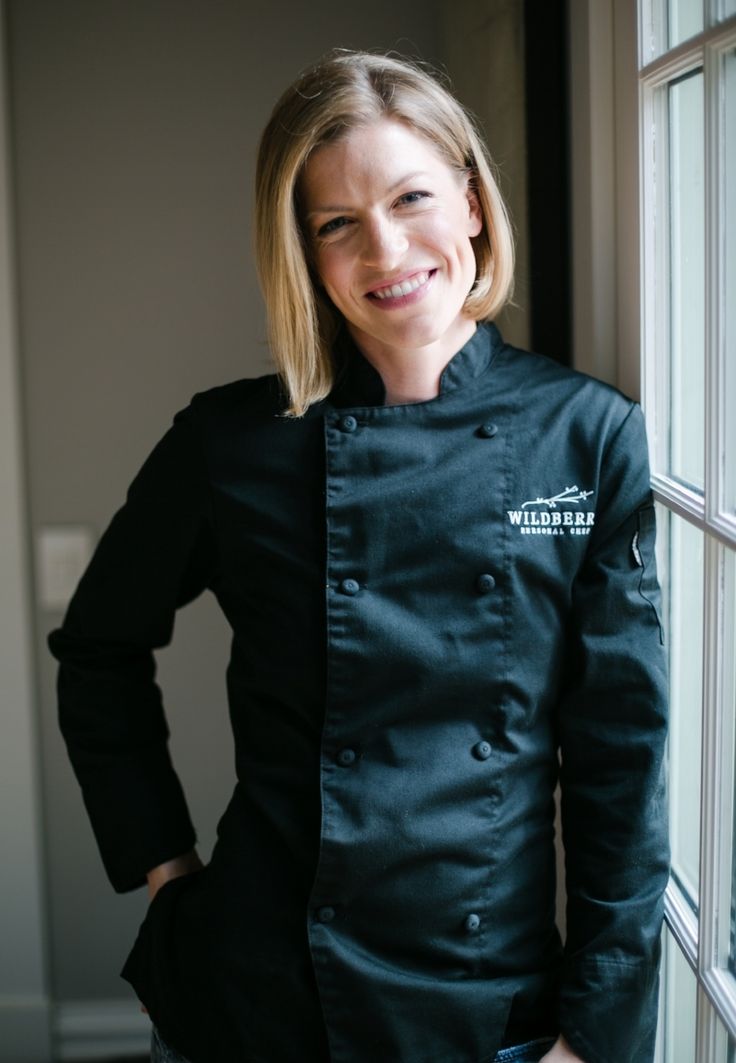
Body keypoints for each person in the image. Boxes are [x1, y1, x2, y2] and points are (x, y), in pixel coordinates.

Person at [49, 49, 669, 1063]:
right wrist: (163, 865)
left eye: (412, 196)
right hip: (259, 995)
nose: (384, 248)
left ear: (471, 202)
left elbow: (621, 759)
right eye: (336, 223)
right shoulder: (229, 443)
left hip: (489, 1006)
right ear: (302, 252)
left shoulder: (585, 436)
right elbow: (97, 649)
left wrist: (595, 1034)